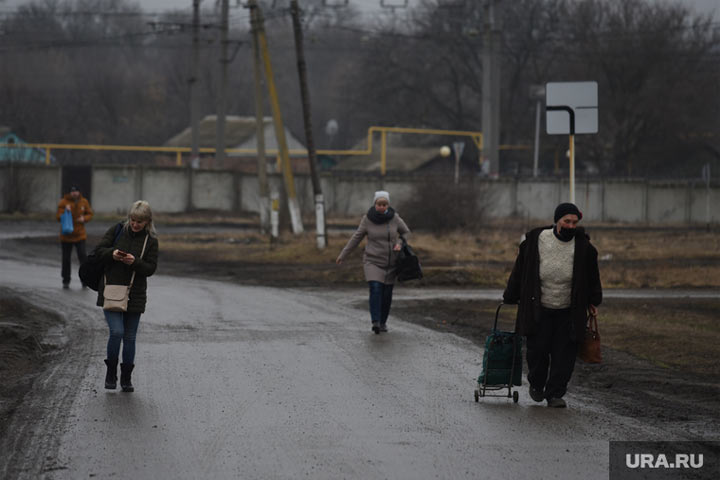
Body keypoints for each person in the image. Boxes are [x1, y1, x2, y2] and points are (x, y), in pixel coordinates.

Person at [503, 202, 602, 408]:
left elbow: (593, 277)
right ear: (557, 221)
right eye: (567, 221)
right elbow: (520, 271)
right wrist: (510, 295)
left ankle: (555, 393)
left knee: (564, 355)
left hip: (569, 310)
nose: (571, 226)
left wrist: (593, 301)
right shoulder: (535, 241)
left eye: (575, 222)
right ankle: (537, 384)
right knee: (537, 352)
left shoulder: (585, 248)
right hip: (539, 308)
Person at [95, 200, 159, 393]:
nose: (135, 224)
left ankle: (126, 378)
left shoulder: (151, 241)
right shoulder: (117, 230)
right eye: (133, 219)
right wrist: (112, 254)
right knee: (117, 332)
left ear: (147, 221)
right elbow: (98, 251)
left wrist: (135, 262)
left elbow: (150, 268)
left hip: (135, 294)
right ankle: (110, 372)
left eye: (139, 221)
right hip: (112, 288)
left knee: (130, 337)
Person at [336, 191, 410, 334]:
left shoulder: (394, 218)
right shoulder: (367, 219)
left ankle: (383, 322)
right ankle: (375, 321)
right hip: (372, 261)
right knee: (375, 288)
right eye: (379, 204)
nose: (382, 207)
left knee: (387, 294)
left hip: (391, 262)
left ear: (388, 205)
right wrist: (343, 254)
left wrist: (400, 243)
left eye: (384, 204)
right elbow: (356, 237)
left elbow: (406, 232)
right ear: (374, 204)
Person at [56, 185, 93, 289]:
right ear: (70, 193)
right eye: (72, 191)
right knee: (66, 259)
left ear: (79, 192)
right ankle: (66, 280)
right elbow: (58, 217)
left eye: (76, 191)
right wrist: (65, 211)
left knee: (83, 257)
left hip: (80, 235)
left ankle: (85, 280)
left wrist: (84, 218)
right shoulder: (63, 202)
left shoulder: (84, 202)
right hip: (66, 235)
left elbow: (90, 214)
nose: (74, 193)